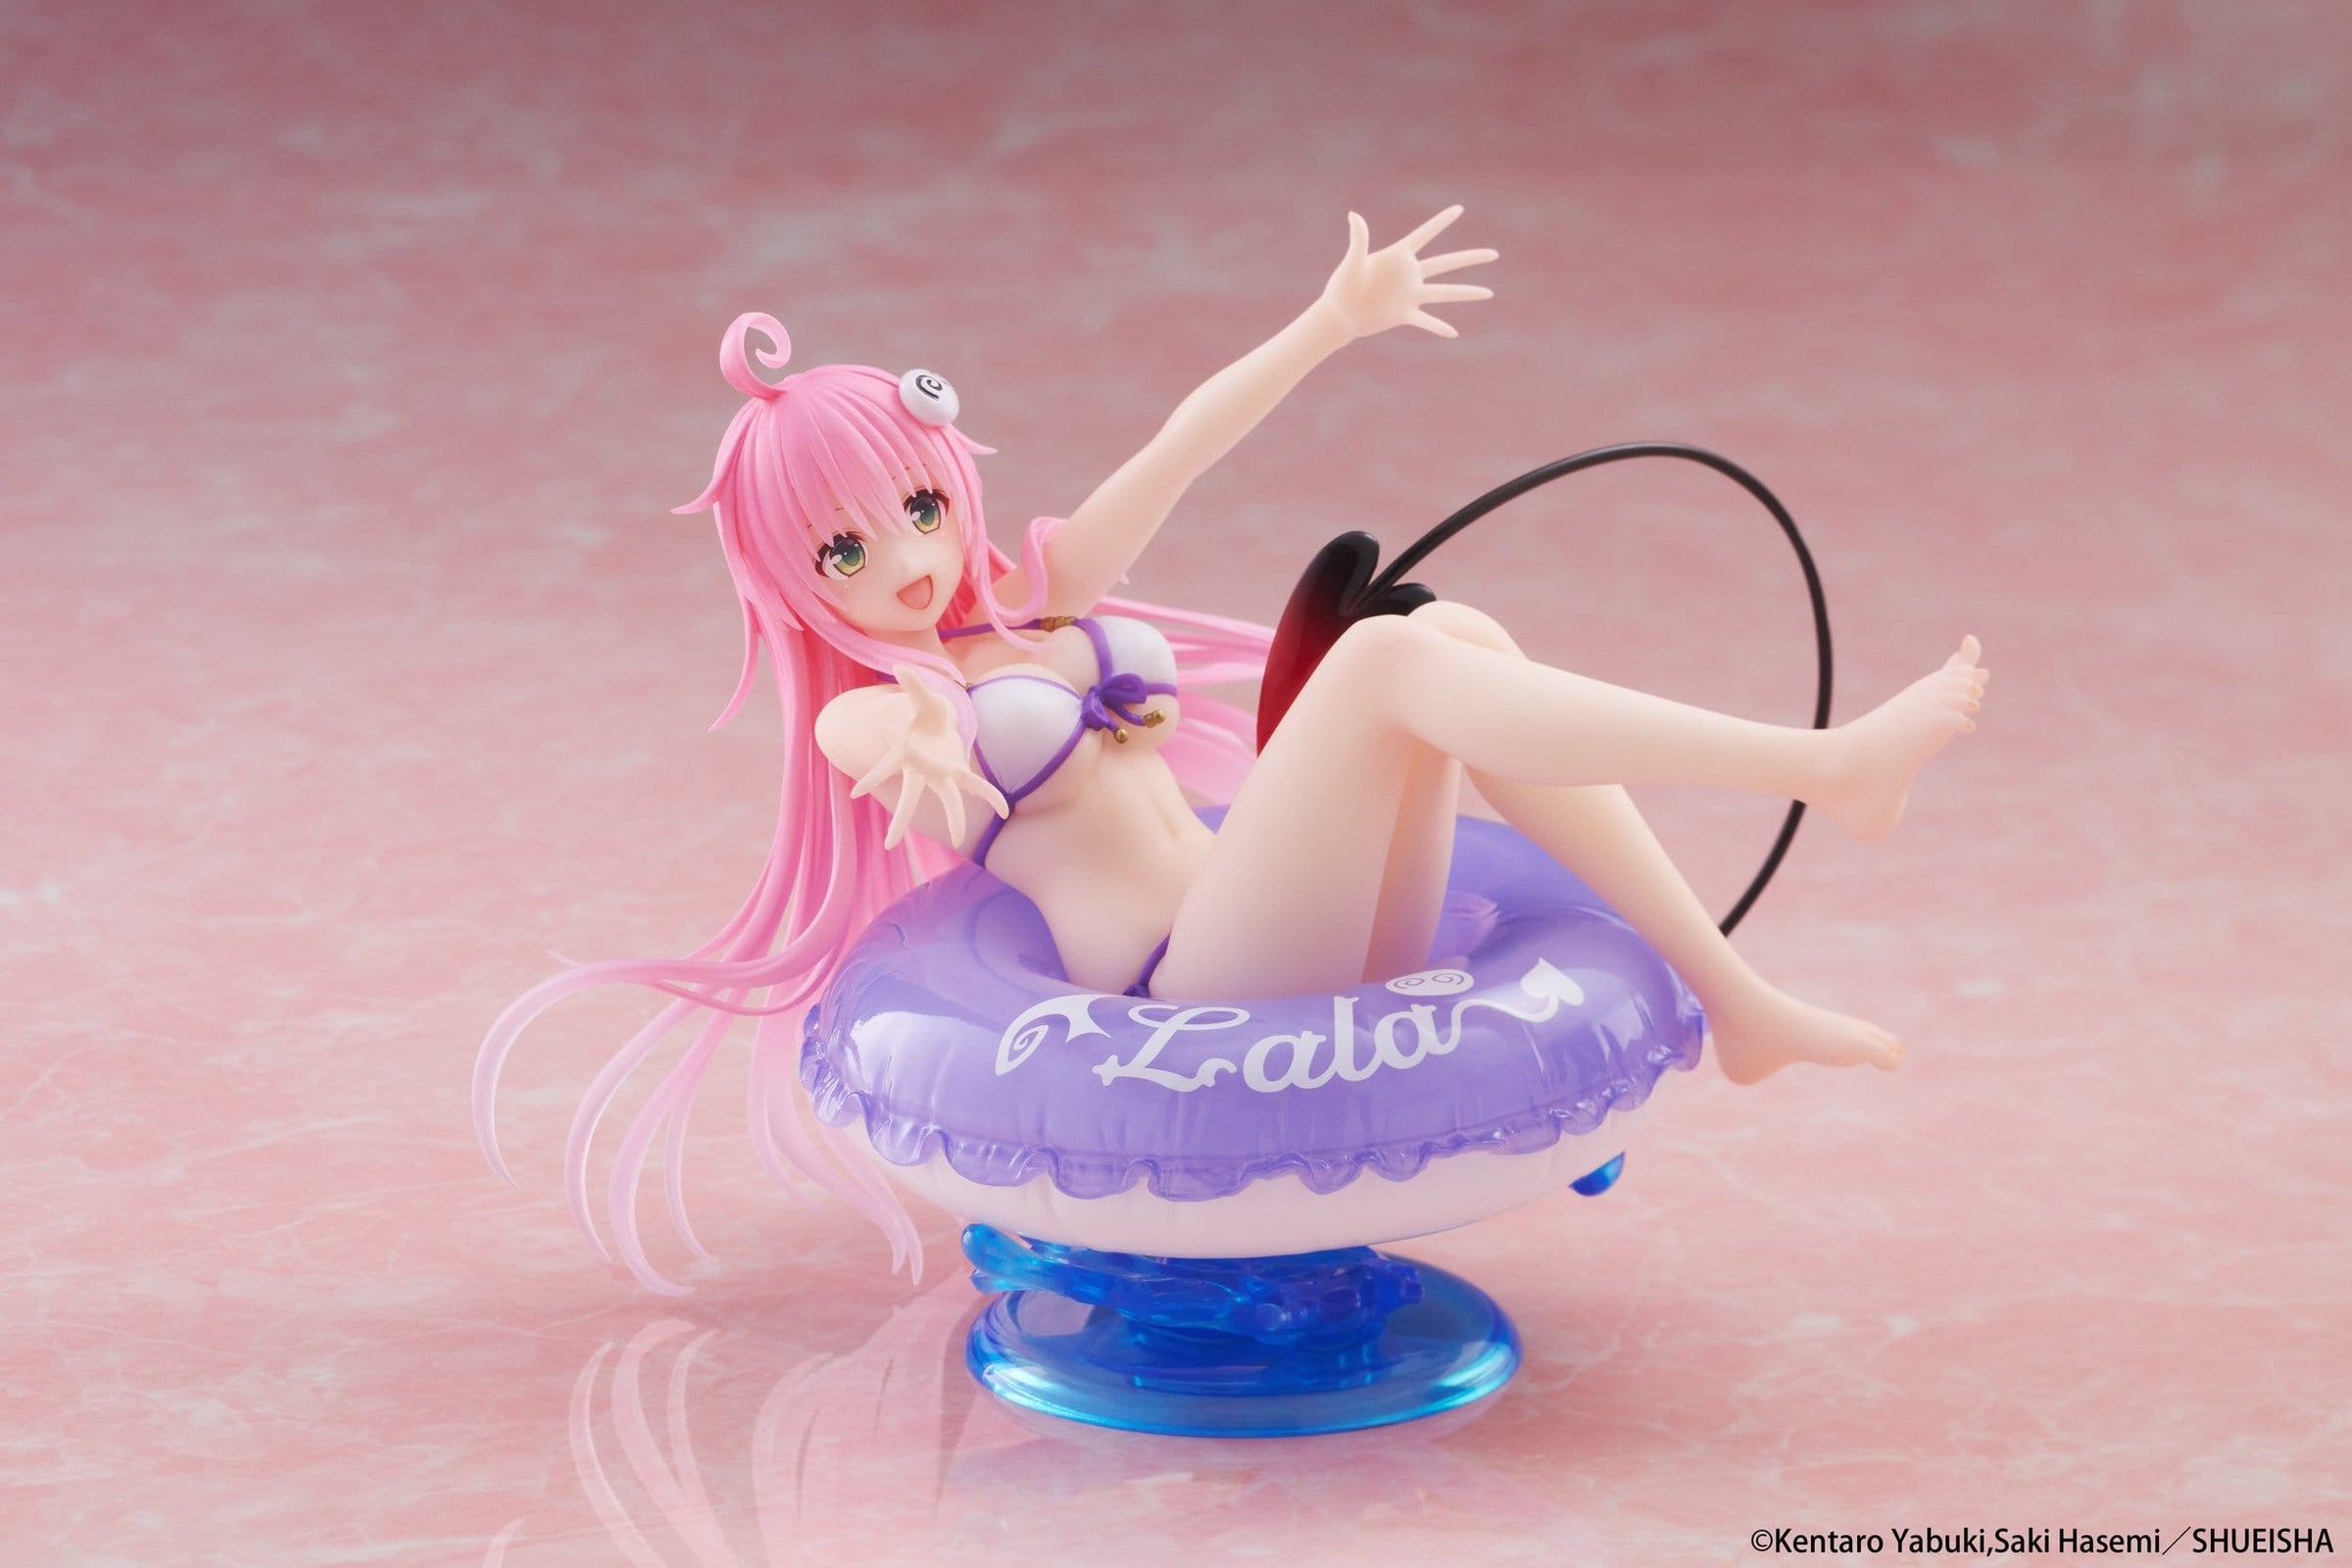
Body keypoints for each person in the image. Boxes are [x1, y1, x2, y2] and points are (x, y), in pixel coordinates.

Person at [476, 206, 1987, 1292]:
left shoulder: (1044, 598)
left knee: (1458, 635)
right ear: (796, 579)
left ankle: (1739, 998)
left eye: (920, 508)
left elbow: (1178, 448)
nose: (911, 560)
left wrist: (1329, 324)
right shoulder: (866, 708)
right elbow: (882, 731)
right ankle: (1821, 766)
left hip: (1285, 936)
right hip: (1183, 992)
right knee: (1386, 655)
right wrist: (921, 725)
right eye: (848, 550)